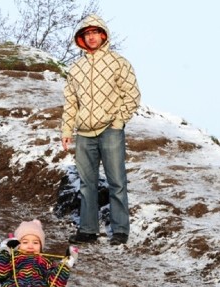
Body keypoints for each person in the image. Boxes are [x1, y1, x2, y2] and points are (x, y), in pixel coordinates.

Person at [61, 14, 140, 246]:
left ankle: (120, 230)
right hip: (84, 133)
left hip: (110, 130)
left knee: (117, 182)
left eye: (95, 32)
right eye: (87, 33)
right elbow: (70, 102)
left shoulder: (119, 62)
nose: (92, 37)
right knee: (87, 183)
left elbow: (132, 95)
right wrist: (67, 130)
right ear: (82, 38)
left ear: (103, 35)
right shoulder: (75, 68)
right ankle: (88, 229)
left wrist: (118, 122)